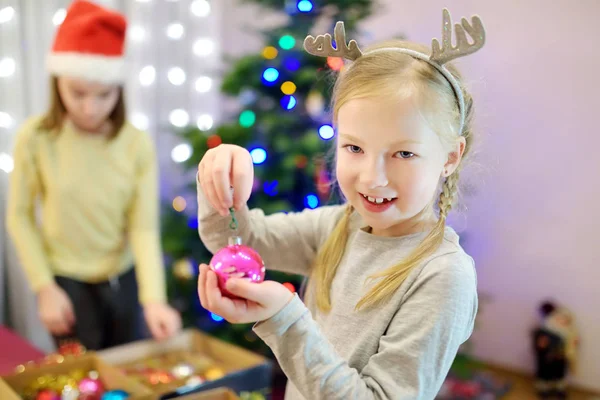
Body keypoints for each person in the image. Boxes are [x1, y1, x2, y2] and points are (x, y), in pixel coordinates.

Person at [197, 9, 485, 400]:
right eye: (354, 147)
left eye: (403, 154)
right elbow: (237, 239)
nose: (372, 178)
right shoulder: (338, 226)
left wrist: (284, 321)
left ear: (450, 157)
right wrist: (219, 176)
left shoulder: (443, 277)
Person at [6, 0, 181, 351]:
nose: (90, 108)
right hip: (67, 285)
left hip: (124, 282)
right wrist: (44, 287)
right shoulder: (36, 138)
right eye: (78, 93)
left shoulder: (135, 144)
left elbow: (143, 227)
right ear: (58, 84)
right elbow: (19, 216)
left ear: (118, 88)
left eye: (103, 95)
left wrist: (154, 300)